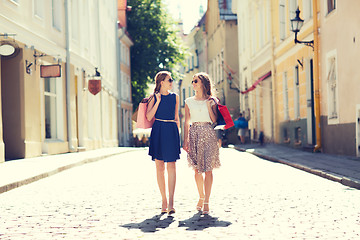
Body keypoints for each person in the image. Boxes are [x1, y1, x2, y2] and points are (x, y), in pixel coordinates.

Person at [183, 72, 221, 215]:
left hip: (208, 132)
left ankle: (206, 202)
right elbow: (186, 122)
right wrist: (185, 140)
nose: (193, 84)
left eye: (196, 81)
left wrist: (209, 105)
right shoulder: (188, 101)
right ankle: (201, 196)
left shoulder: (212, 100)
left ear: (204, 84)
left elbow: (214, 120)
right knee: (197, 170)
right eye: (193, 81)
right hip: (194, 133)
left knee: (209, 169)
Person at [146, 70, 180, 215]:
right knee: (160, 166)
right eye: (169, 80)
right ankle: (164, 200)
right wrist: (158, 101)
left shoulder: (175, 97)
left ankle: (171, 201)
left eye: (171, 80)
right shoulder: (154, 97)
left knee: (171, 165)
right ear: (162, 82)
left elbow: (177, 117)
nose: (172, 82)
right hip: (158, 129)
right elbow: (148, 116)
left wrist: (178, 135)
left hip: (171, 129)